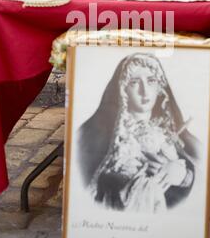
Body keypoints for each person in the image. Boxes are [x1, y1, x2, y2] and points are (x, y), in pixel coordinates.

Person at [77, 53, 200, 213]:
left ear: (160, 87)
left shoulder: (169, 130)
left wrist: (183, 175)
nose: (145, 91)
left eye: (151, 81)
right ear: (123, 89)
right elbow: (88, 184)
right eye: (134, 82)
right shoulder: (96, 133)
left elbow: (198, 180)